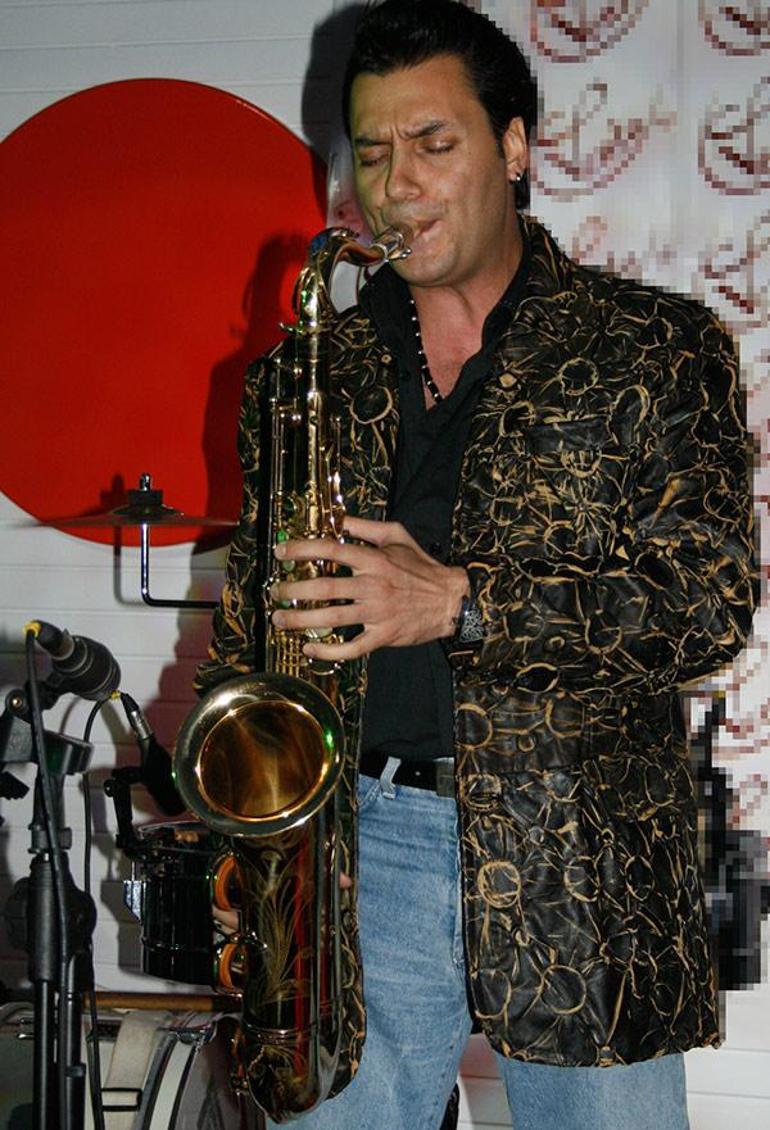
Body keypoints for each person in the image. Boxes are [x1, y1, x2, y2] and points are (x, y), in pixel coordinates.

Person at [195, 2, 758, 1127]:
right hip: (350, 849)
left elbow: (707, 607)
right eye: (372, 152)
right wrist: (245, 826)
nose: (395, 184)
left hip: (584, 849)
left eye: (432, 142)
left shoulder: (654, 346)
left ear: (513, 147)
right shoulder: (304, 373)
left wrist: (461, 601)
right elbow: (256, 617)